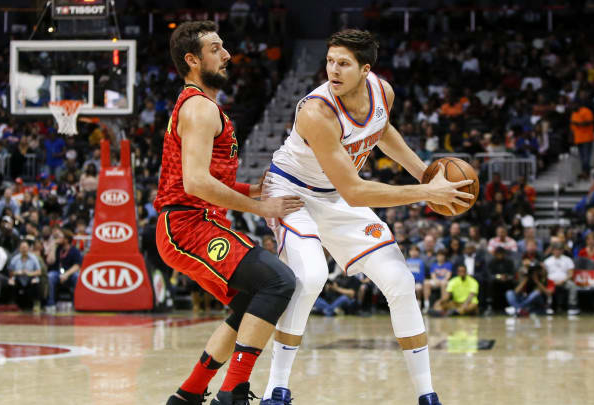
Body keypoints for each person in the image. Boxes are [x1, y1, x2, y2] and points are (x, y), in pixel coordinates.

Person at [260, 29, 473, 405]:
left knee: (401, 281)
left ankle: (427, 395)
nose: (333, 70)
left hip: (334, 195)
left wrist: (426, 174)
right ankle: (274, 391)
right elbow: (355, 191)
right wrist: (426, 192)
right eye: (329, 61)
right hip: (292, 192)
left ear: (365, 69)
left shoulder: (382, 92)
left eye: (343, 63)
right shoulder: (316, 111)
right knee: (310, 277)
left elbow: (383, 130)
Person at [156, 21, 301, 405]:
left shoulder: (201, 105)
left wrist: (248, 189)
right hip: (188, 225)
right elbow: (196, 184)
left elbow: (205, 177)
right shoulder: (200, 108)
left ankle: (188, 394)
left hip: (196, 221)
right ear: (192, 59)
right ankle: (232, 393)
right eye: (216, 48)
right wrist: (260, 206)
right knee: (278, 283)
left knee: (250, 298)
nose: (227, 55)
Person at [543, 243, 579, 315]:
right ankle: (549, 306)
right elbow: (544, 275)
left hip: (564, 281)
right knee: (547, 286)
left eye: (559, 250)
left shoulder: (568, 260)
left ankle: (572, 306)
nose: (557, 251)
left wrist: (563, 281)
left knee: (573, 286)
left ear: (562, 251)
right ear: (552, 251)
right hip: (551, 281)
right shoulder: (547, 261)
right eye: (556, 250)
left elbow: (571, 274)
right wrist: (551, 282)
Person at [8, 240, 42, 310]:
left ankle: (36, 303)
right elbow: (10, 272)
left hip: (30, 279)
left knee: (36, 281)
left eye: (25, 247)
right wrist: (17, 272)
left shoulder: (33, 258)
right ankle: (13, 303)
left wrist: (30, 273)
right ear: (19, 249)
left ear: (28, 248)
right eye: (22, 248)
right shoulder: (15, 259)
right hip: (19, 279)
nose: (24, 249)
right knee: (11, 282)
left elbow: (39, 272)